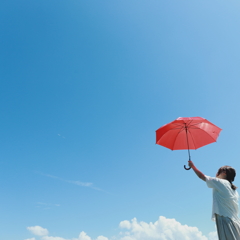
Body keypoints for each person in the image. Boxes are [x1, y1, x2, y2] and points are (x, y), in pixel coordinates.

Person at [188, 160, 240, 240]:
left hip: (226, 220)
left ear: (224, 173)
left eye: (218, 171)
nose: (216, 174)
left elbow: (202, 176)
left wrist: (192, 166)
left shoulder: (220, 182)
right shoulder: (234, 190)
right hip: (236, 222)